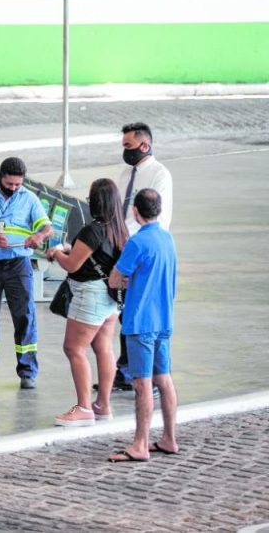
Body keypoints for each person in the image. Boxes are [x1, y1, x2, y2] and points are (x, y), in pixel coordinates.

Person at [45, 178, 129, 426]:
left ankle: (83, 407)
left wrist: (57, 252)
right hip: (110, 298)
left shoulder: (92, 230)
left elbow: (72, 264)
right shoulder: (120, 229)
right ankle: (103, 405)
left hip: (90, 295)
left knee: (74, 348)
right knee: (103, 348)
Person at [107, 189, 178, 462]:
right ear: (158, 210)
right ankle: (169, 438)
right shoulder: (168, 239)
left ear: (135, 211)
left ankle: (140, 444)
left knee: (142, 384)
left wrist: (124, 278)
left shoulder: (137, 243)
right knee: (164, 379)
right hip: (164, 319)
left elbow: (115, 279)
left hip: (141, 322)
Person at [0, 157, 52, 389]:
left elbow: (47, 227)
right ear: (0, 178)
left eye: (18, 184)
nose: (14, 188)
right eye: (10, 184)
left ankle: (28, 371)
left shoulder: (29, 198)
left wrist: (39, 236)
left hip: (19, 265)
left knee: (25, 316)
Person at [112, 122, 174, 391]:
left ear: (144, 145)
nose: (125, 150)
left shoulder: (160, 174)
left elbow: (156, 214)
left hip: (143, 248)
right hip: (125, 246)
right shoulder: (126, 173)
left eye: (128, 146)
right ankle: (126, 368)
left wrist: (128, 240)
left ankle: (140, 373)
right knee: (125, 311)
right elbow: (119, 210)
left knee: (140, 312)